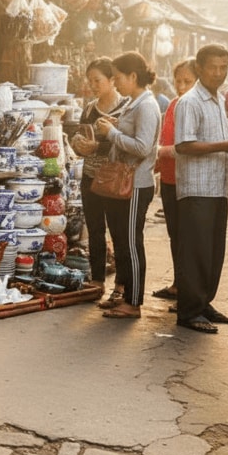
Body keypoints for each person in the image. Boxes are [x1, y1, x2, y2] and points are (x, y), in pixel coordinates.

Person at [173, 44, 228, 334]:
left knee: (212, 251)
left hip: (217, 185)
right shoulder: (190, 101)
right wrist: (225, 145)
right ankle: (189, 311)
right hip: (197, 188)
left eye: (224, 67)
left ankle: (203, 302)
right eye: (214, 67)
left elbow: (213, 138)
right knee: (195, 252)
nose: (219, 73)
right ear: (199, 68)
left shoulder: (218, 99)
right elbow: (183, 145)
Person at [92, 51, 162, 320]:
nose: (116, 82)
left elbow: (143, 147)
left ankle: (133, 302)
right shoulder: (136, 102)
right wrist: (118, 125)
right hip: (126, 182)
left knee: (131, 243)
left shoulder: (146, 105)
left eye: (119, 77)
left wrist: (113, 133)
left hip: (136, 183)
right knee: (121, 240)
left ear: (133, 76)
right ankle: (124, 295)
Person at [71, 58, 130, 297]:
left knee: (119, 231)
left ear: (112, 80)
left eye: (98, 80)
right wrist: (79, 145)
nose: (93, 85)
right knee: (95, 229)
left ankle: (121, 285)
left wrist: (98, 147)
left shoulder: (127, 107)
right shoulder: (89, 108)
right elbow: (80, 136)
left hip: (115, 178)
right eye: (90, 81)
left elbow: (128, 144)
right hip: (91, 176)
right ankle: (97, 280)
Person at [151, 58, 197, 302]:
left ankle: (188, 290)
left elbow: (189, 147)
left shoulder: (198, 106)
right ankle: (178, 284)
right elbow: (166, 137)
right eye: (178, 81)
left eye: (187, 82)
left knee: (187, 238)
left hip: (189, 181)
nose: (181, 86)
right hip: (169, 178)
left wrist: (160, 152)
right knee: (175, 235)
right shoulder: (173, 105)